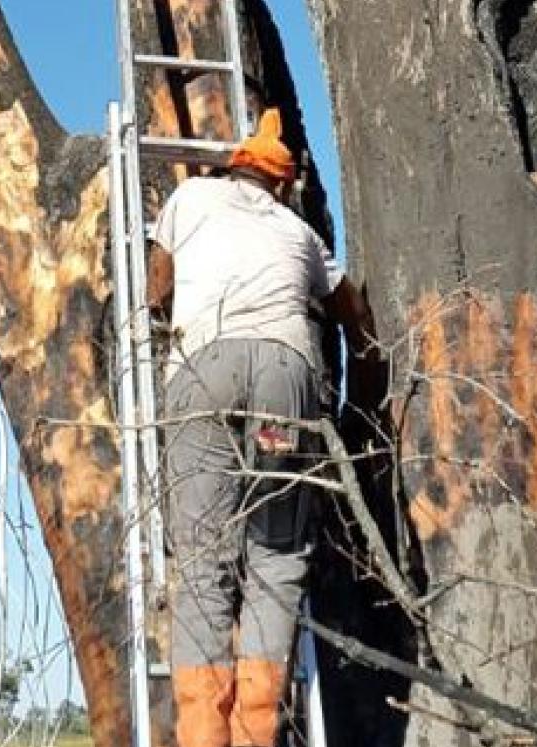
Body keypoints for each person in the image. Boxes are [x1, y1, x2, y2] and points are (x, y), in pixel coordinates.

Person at [147, 108, 378, 747]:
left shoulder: (190, 196)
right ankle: (255, 734)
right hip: (285, 381)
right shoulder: (298, 231)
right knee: (276, 557)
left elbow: (157, 286)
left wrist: (153, 315)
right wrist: (362, 379)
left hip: (206, 373)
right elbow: (350, 309)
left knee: (201, 557)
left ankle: (201, 735)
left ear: (234, 168)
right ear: (281, 183)